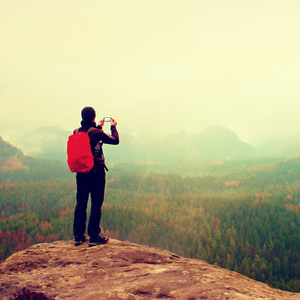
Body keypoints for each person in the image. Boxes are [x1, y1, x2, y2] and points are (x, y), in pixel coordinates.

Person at [73, 106, 119, 247]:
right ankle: (94, 236)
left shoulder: (76, 132)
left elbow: (88, 137)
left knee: (81, 203)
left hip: (81, 174)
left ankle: (78, 236)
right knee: (96, 204)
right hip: (96, 173)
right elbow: (115, 140)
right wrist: (113, 127)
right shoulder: (97, 134)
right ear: (93, 117)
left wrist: (98, 126)